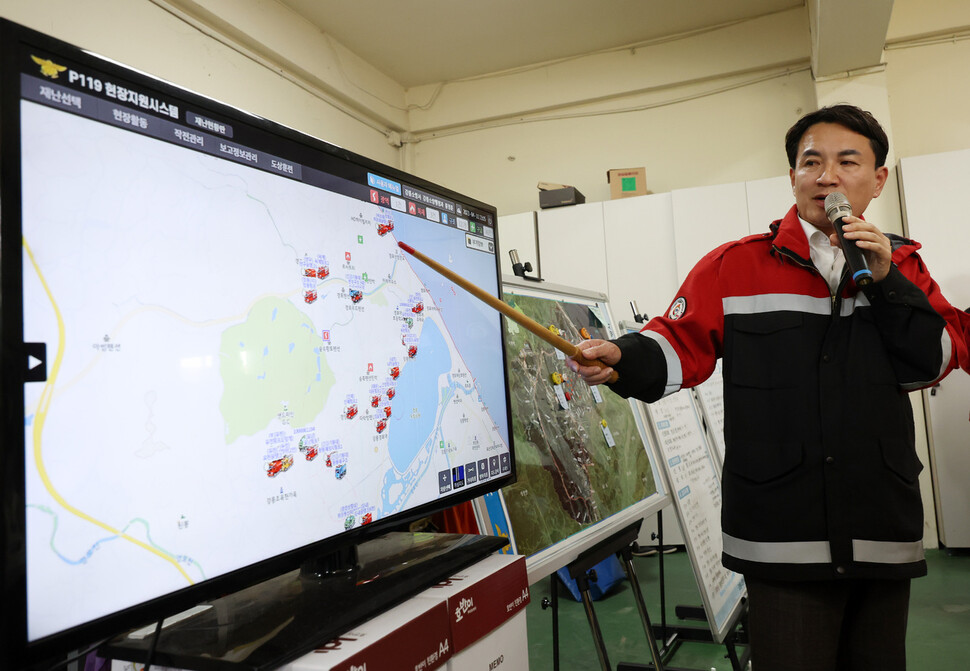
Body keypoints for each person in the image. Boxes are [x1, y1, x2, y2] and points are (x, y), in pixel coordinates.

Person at [566, 104, 967, 671]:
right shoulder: (736, 265)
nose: (827, 176)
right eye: (812, 162)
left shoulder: (901, 266)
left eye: (847, 161)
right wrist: (623, 358)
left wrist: (887, 282)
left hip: (881, 524)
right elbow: (678, 343)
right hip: (781, 533)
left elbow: (936, 358)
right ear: (793, 177)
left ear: (877, 181)